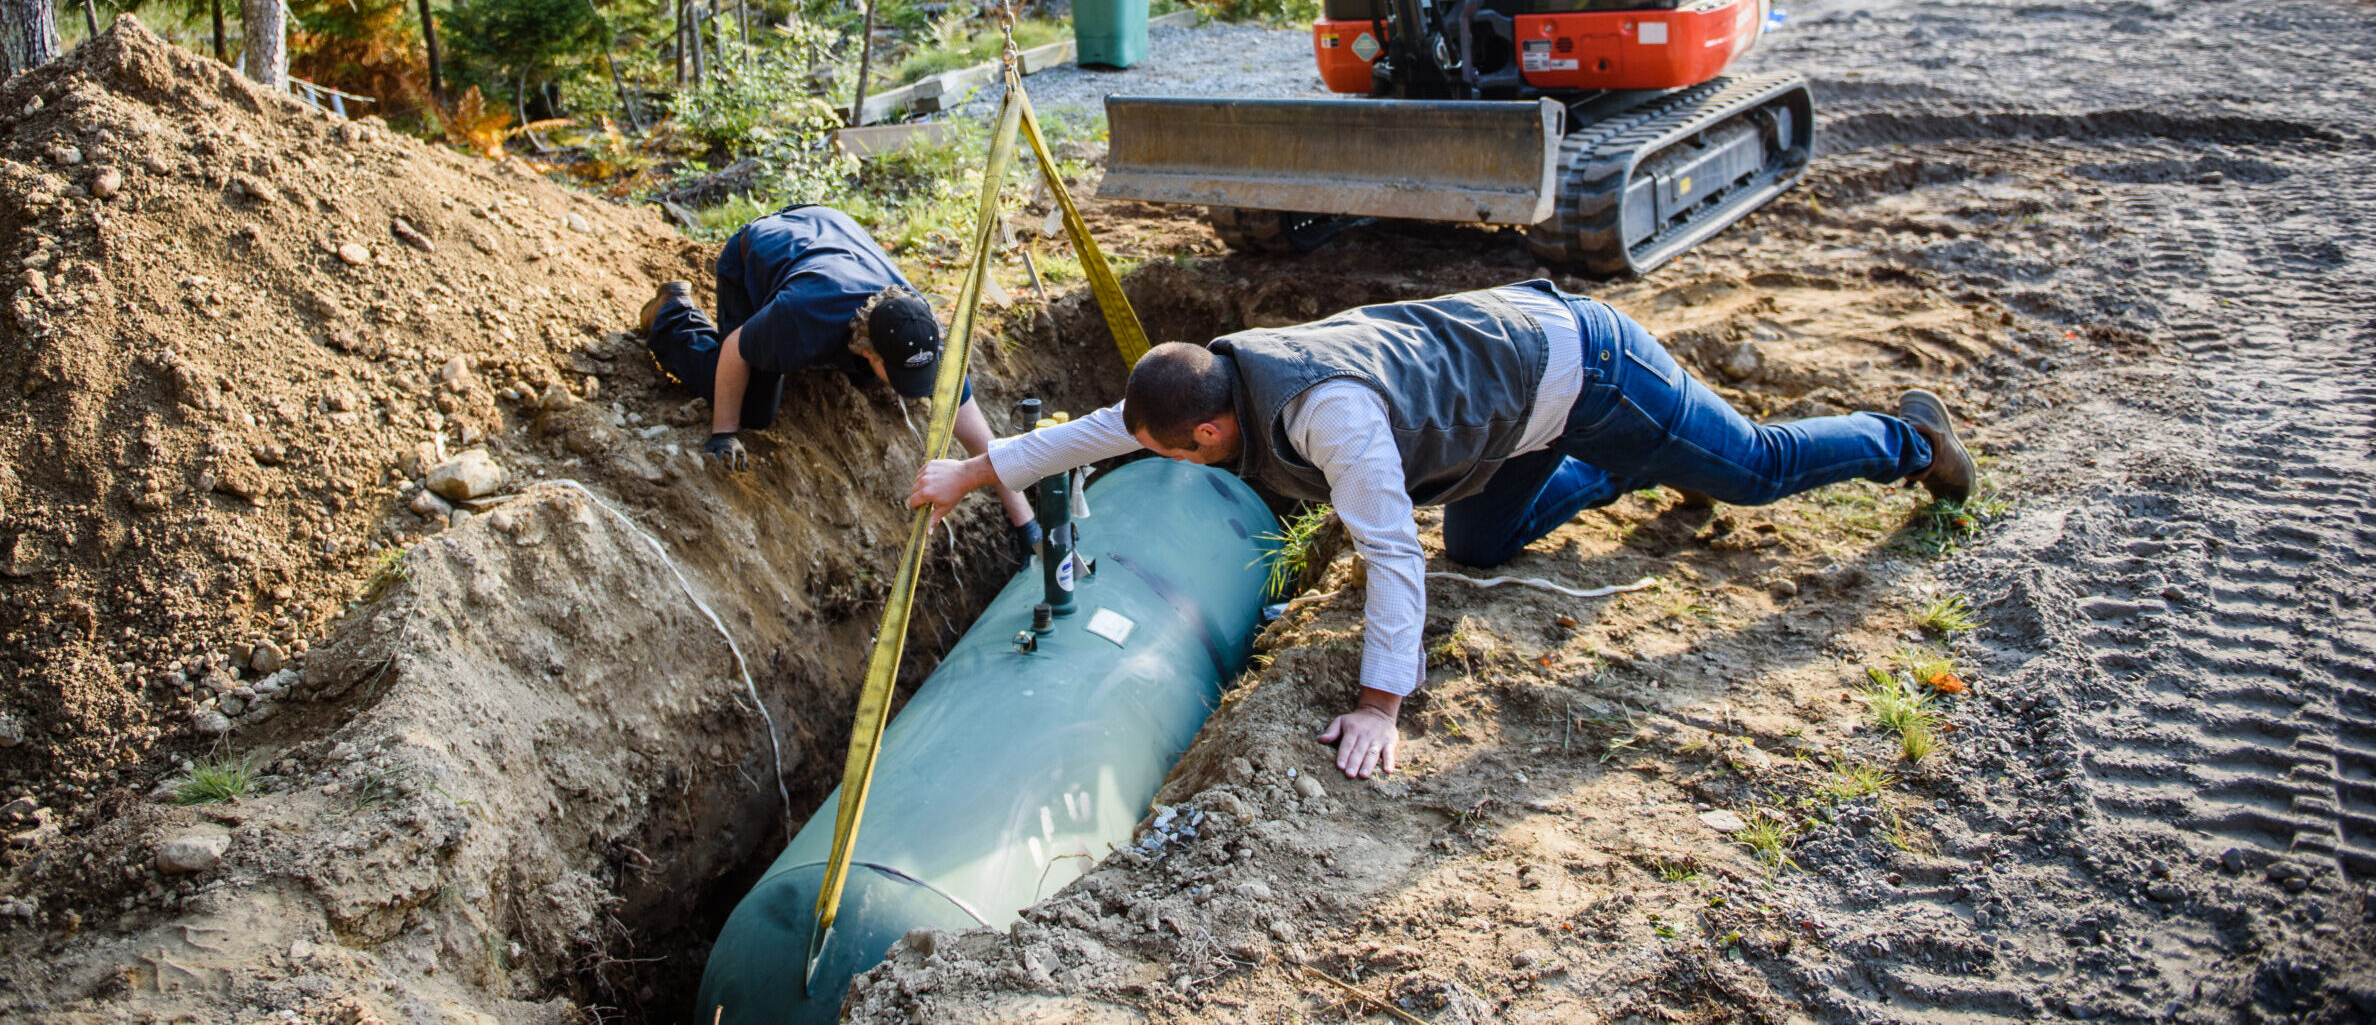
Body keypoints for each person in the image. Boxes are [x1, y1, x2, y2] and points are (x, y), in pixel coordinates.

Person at [908, 279, 1973, 779]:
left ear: (1217, 423)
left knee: (1749, 468)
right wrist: (970, 470)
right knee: (1484, 547)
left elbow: (1386, 551)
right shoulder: (1211, 379)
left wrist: (1382, 703)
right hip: (1510, 412)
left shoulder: (1335, 422)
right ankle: (1631, 473)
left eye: (1187, 450)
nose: (1182, 462)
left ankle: (1906, 439)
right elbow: (1111, 426)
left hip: (1583, 367)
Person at [644, 204, 1038, 552]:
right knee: (755, 408)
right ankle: (672, 314)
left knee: (865, 379)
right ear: (867, 350)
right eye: (898, 373)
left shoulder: (920, 328)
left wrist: (1027, 525)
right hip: (758, 251)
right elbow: (734, 349)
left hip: (830, 230)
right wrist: (723, 433)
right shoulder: (802, 320)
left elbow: (978, 438)